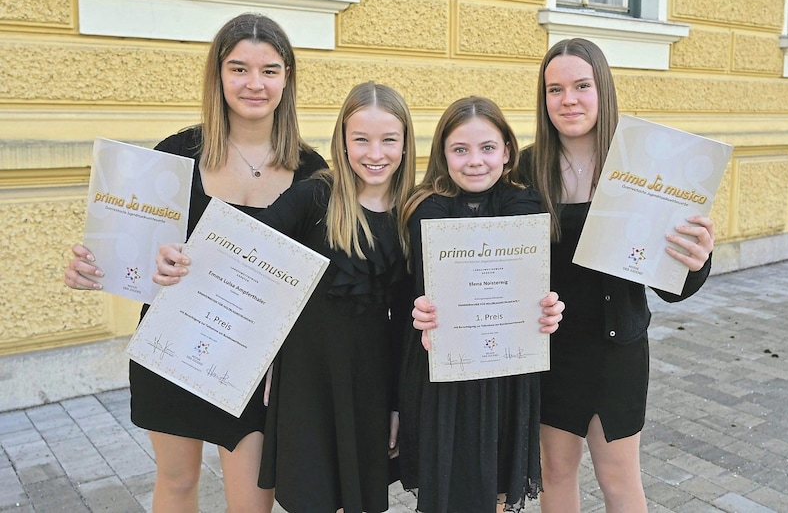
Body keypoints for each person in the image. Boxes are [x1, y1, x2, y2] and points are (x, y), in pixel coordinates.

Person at [63, 13, 328, 513]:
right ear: (218, 74)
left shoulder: (314, 172)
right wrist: (92, 268)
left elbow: (312, 287)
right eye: (239, 68)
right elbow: (131, 256)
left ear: (287, 78)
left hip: (257, 366)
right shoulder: (177, 155)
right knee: (178, 484)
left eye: (270, 70)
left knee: (251, 504)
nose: (255, 83)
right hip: (173, 349)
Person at [154, 81, 417, 513]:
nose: (375, 153)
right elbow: (239, 249)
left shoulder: (411, 213)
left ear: (405, 144)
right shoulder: (315, 197)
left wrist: (397, 404)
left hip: (369, 380)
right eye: (361, 140)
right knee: (309, 495)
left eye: (389, 140)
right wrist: (166, 255)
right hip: (304, 378)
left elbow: (407, 317)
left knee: (358, 497)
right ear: (342, 142)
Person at [516, 38, 716, 513]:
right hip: (551, 350)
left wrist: (696, 257)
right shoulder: (526, 168)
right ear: (543, 99)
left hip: (616, 350)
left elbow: (674, 285)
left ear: (602, 89)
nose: (568, 100)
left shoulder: (642, 166)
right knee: (555, 475)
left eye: (581, 86)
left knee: (620, 481)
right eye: (555, 89)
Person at [398, 96, 564, 513]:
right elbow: (408, 290)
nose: (475, 161)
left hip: (505, 372)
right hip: (444, 375)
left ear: (507, 151)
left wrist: (547, 308)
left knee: (498, 488)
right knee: (449, 488)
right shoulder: (424, 209)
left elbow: (535, 284)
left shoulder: (525, 206)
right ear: (443, 154)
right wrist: (415, 310)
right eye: (460, 149)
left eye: (487, 148)